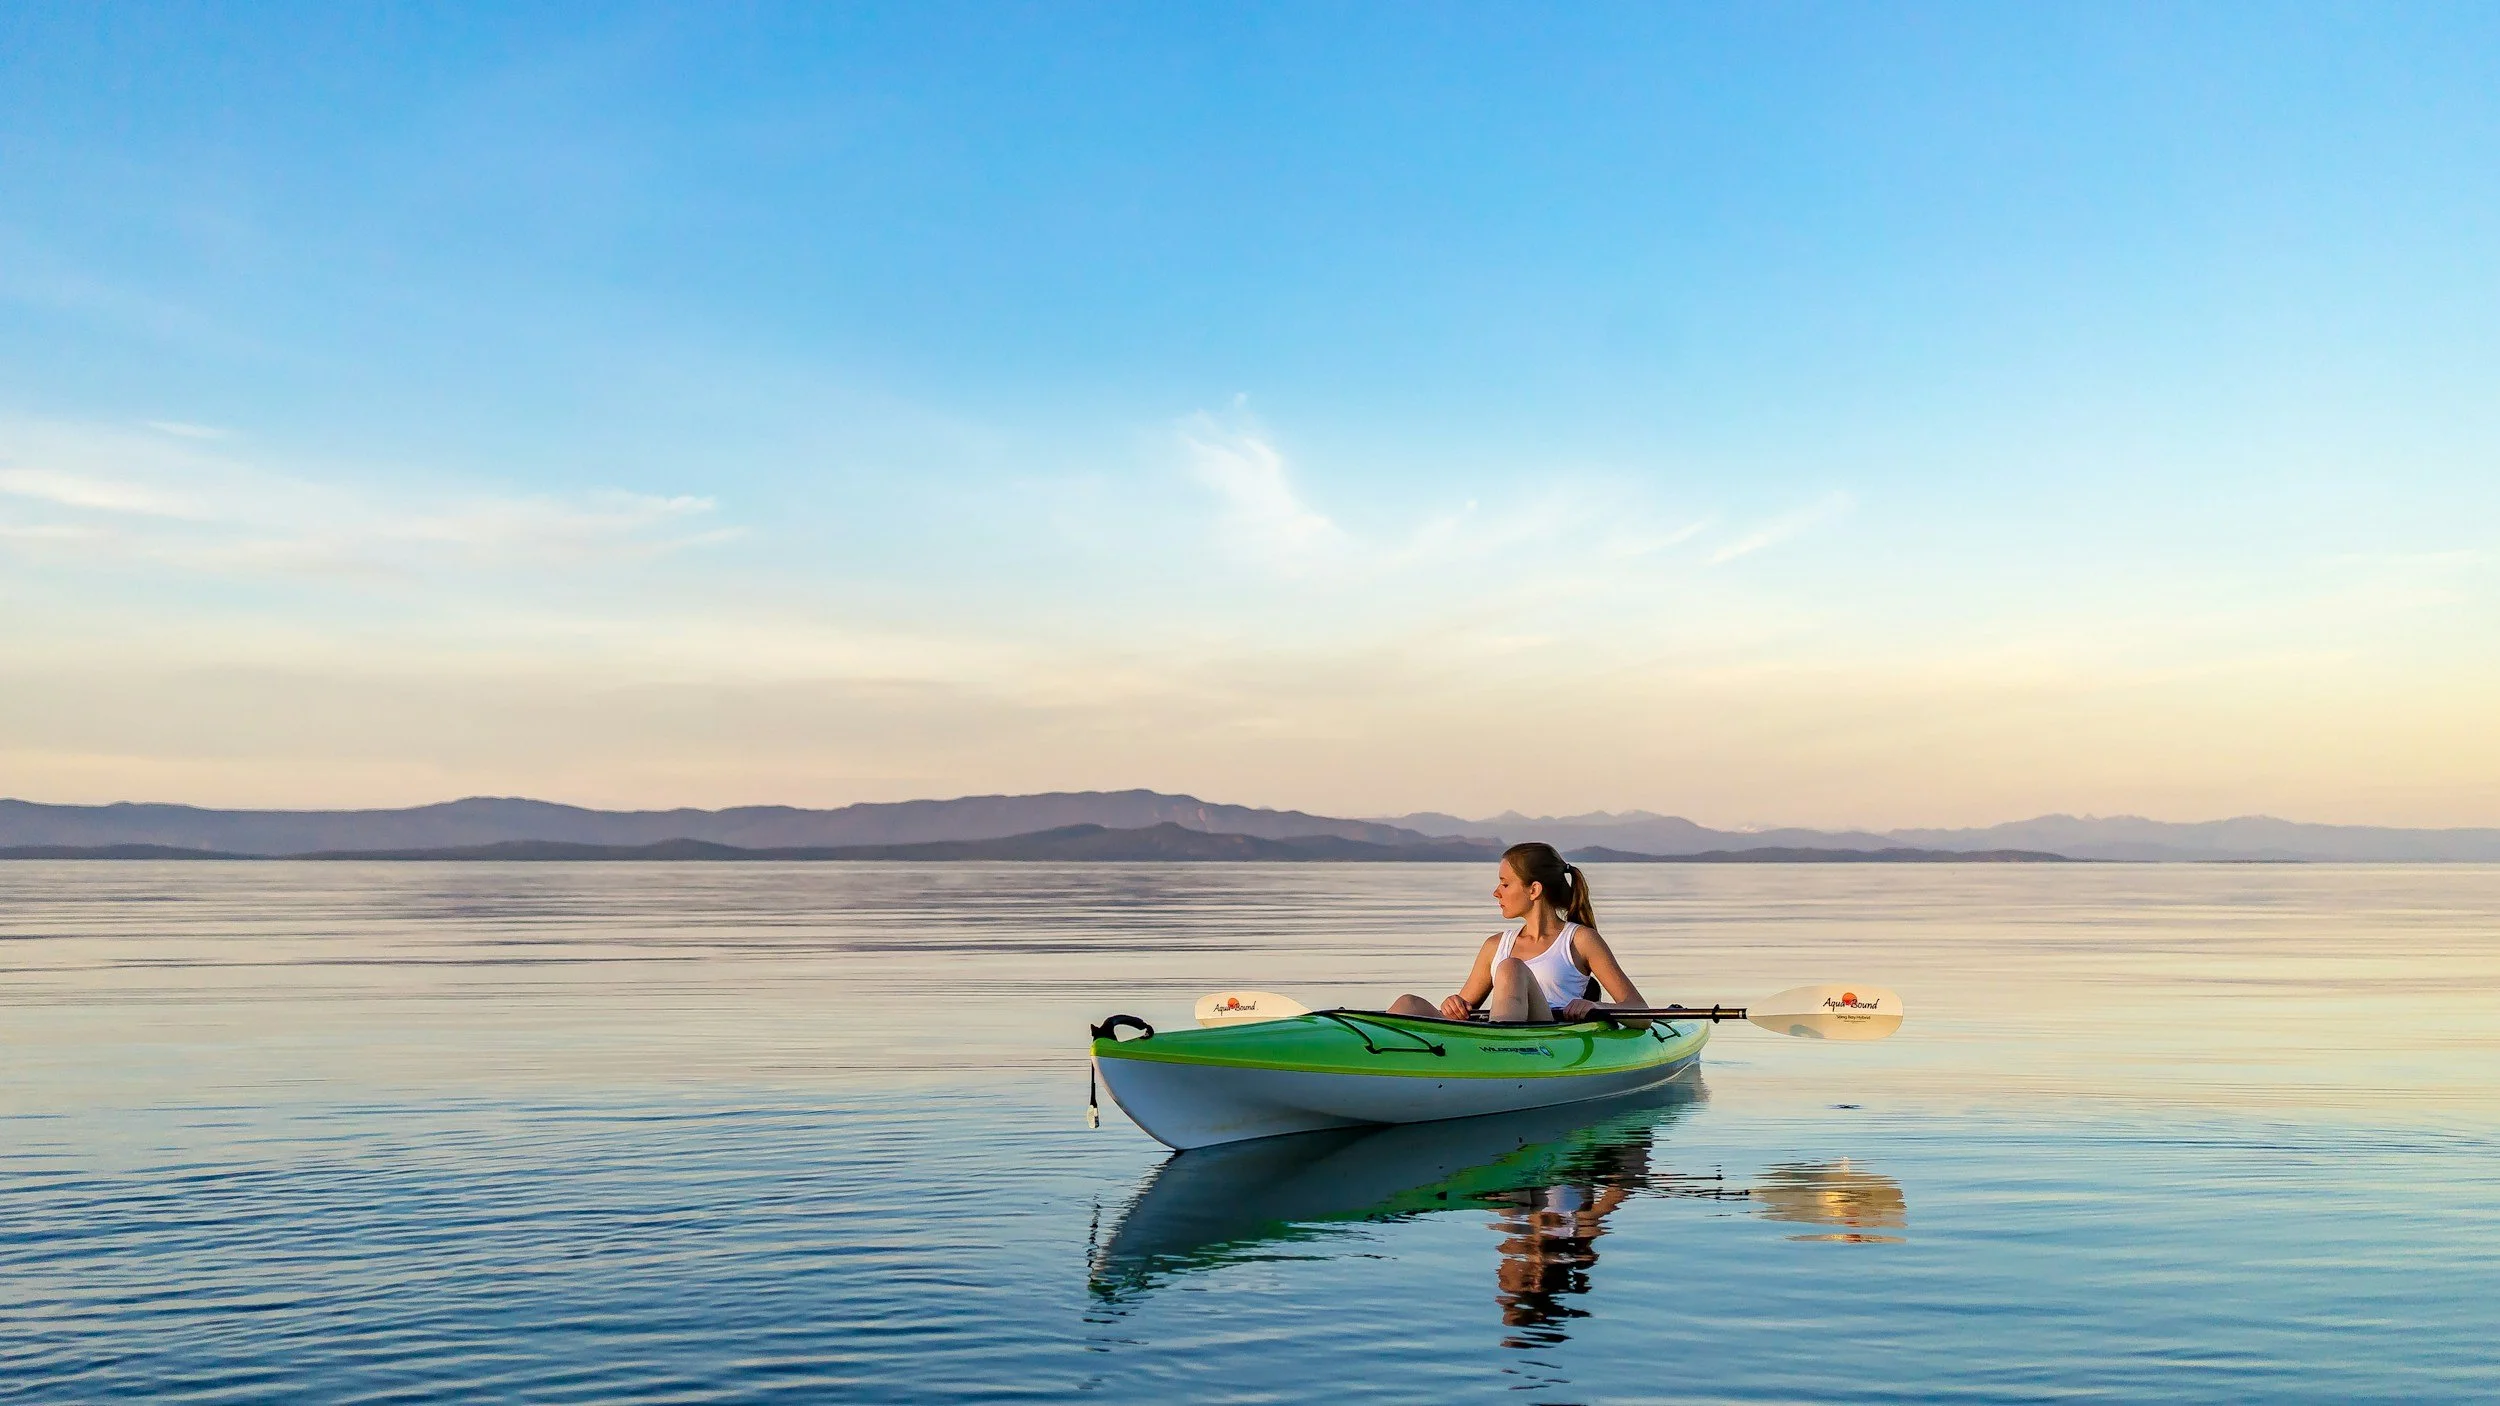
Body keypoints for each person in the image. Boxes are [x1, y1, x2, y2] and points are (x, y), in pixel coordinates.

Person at [1388, 842, 1649, 1023]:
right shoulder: (1494, 946)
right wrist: (1453, 1005)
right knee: (1407, 1004)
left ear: (1534, 890)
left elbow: (1641, 1013)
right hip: (1492, 1037)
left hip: (1546, 1041)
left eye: (1505, 883)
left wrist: (1596, 1006)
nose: (1496, 892)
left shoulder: (1580, 940)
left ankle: (1503, 1056)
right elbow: (1461, 1011)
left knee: (1512, 968)